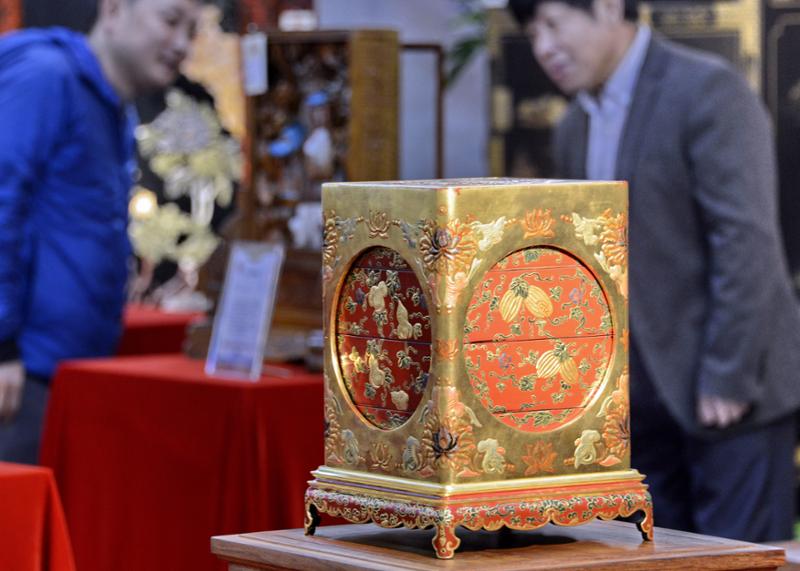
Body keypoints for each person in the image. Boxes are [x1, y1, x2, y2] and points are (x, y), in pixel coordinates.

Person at [509, 0, 800, 542]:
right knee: (653, 555)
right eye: (531, 33)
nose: (543, 47)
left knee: (739, 558)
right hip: (638, 402)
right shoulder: (574, 125)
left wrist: (728, 375)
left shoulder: (707, 90)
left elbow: (745, 240)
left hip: (731, 389)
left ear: (607, 7)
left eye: (552, 23)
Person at [0, 0, 200, 463]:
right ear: (113, 10)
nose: (182, 45)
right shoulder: (47, 76)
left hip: (67, 370)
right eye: (171, 20)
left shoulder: (111, 106)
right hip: (20, 371)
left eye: (192, 30)